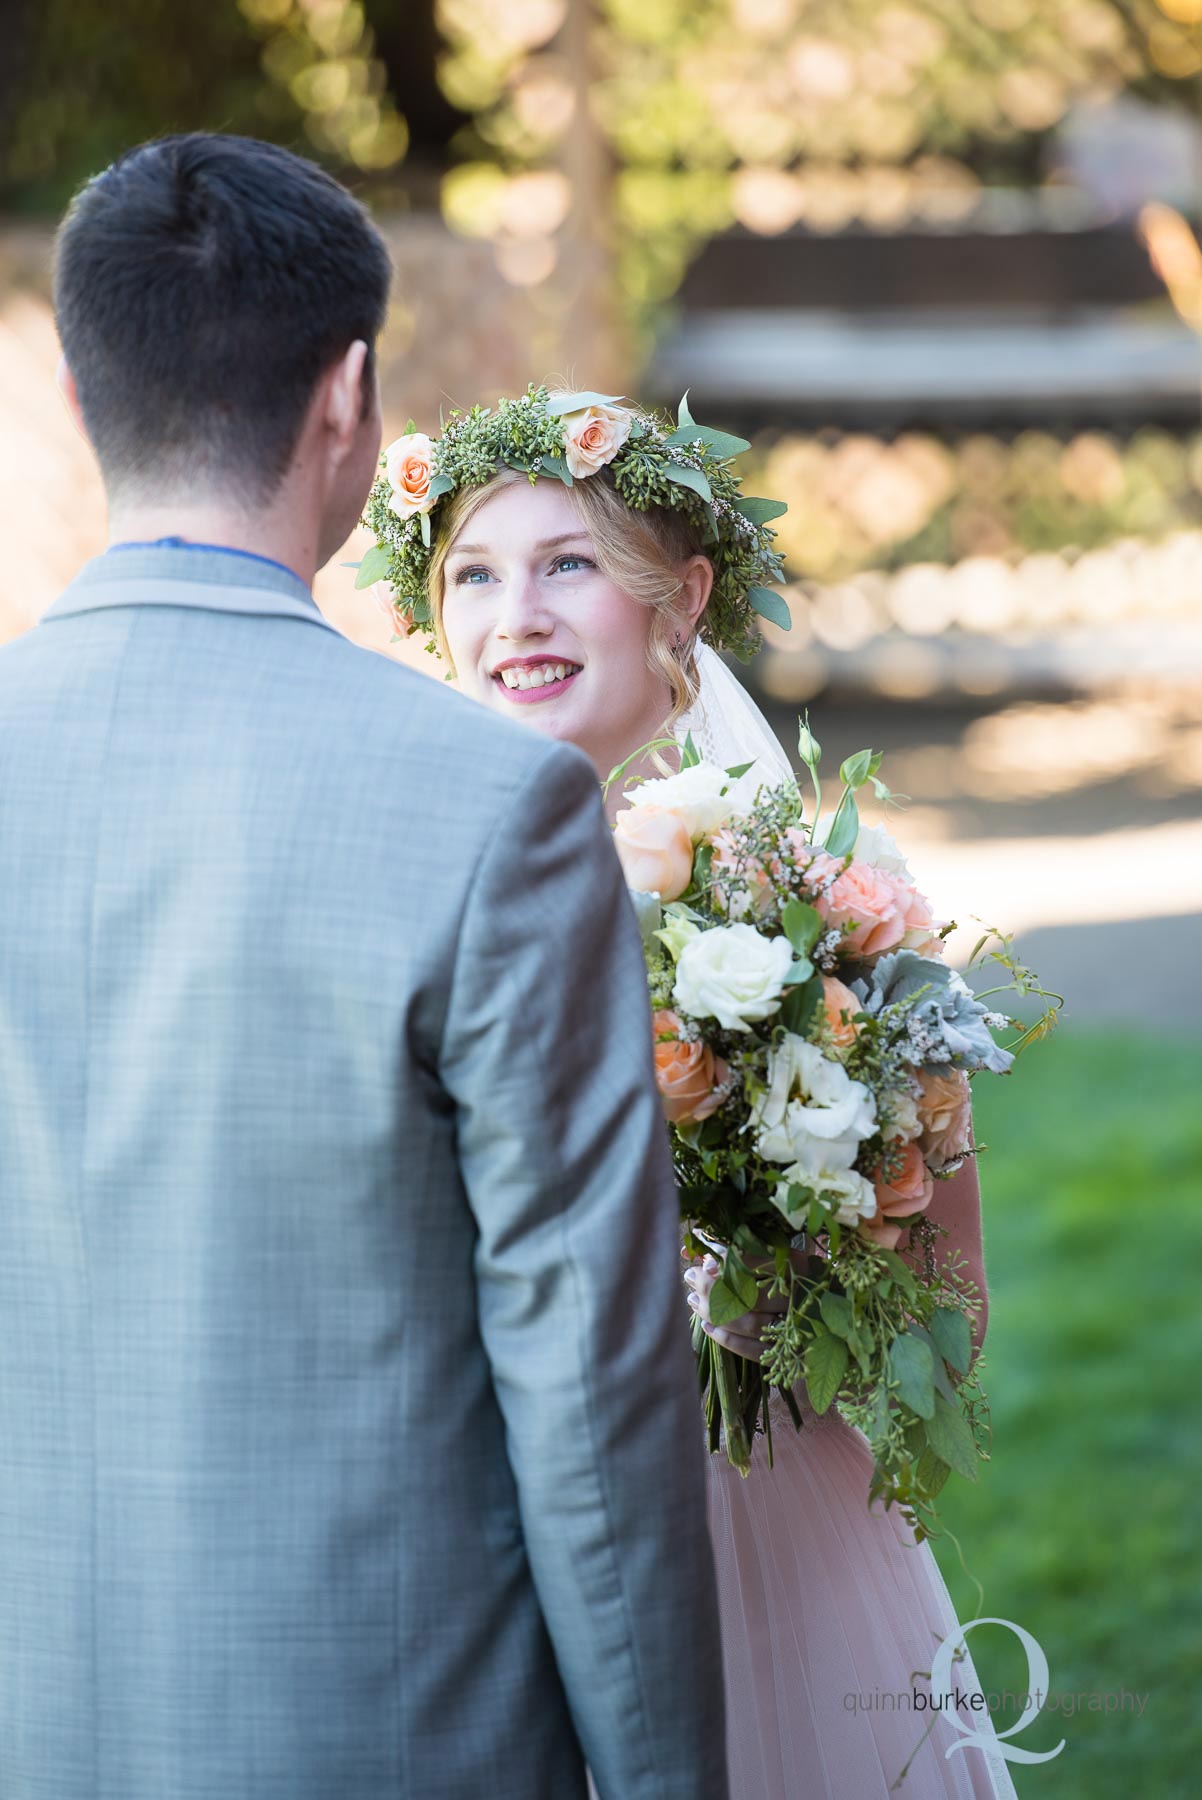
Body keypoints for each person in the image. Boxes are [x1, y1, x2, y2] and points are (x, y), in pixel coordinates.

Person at [0, 138, 727, 1800]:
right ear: (348, 398)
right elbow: (589, 1378)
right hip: (393, 1736)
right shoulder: (498, 811)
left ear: (71, 385)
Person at [376, 388, 1019, 1799]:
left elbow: (950, 1319)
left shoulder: (828, 917)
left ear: (683, 600)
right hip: (496, 1540)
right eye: (472, 575)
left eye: (568, 566)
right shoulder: (411, 900)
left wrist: (774, 1284)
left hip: (765, 1526)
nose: (513, 615)